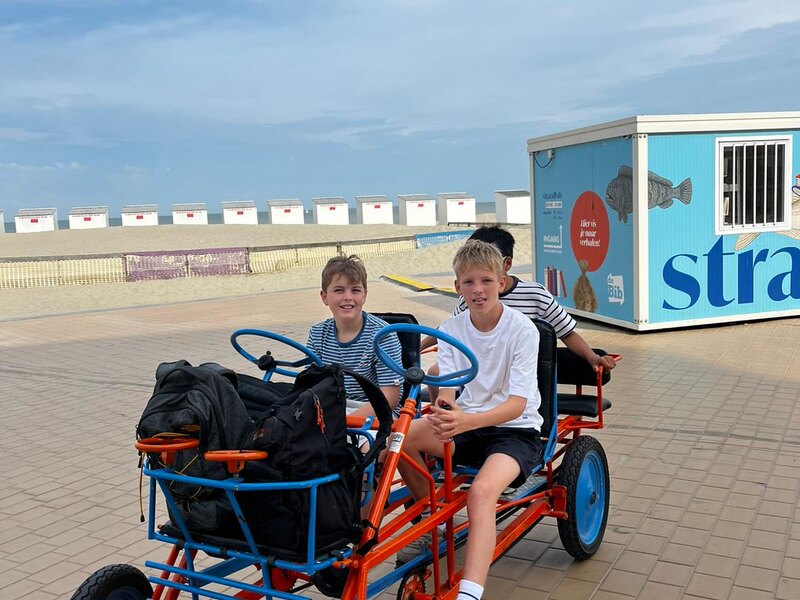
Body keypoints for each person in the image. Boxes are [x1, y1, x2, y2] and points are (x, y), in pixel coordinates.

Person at [396, 240, 542, 600]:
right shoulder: (452, 327)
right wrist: (445, 413)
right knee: (396, 445)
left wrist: (463, 422)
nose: (478, 290)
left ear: (502, 282)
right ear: (457, 286)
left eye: (486, 281)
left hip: (515, 431)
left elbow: (517, 404)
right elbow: (447, 389)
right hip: (469, 424)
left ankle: (469, 593)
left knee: (480, 493)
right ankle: (434, 520)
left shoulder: (523, 330)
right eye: (469, 282)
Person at [423, 225, 616, 399]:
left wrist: (592, 357)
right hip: (479, 369)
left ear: (505, 265)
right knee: (435, 373)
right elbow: (451, 329)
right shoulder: (470, 298)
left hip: (522, 371)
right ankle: (442, 424)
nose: (477, 287)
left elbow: (566, 332)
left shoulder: (535, 295)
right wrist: (419, 346)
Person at [307, 255, 403, 416]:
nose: (348, 297)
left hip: (375, 411)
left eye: (355, 290)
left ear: (364, 295)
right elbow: (310, 386)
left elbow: (390, 398)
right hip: (330, 408)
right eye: (339, 290)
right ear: (324, 297)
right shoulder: (317, 333)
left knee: (366, 442)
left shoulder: (382, 336)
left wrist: (344, 423)